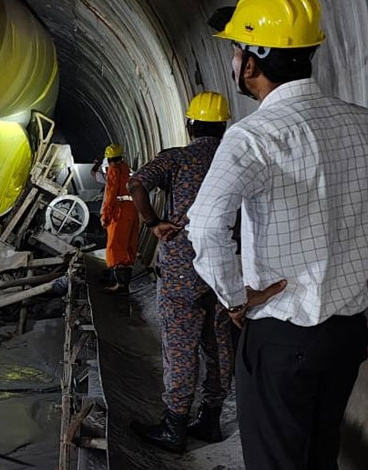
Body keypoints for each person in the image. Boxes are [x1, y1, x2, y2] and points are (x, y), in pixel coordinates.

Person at [186, 1, 368, 468]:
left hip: (282, 336)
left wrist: (235, 297)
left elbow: (207, 223)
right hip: (347, 334)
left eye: (235, 51)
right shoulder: (358, 123)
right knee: (320, 455)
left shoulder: (253, 137)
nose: (234, 62)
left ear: (250, 62)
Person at [128, 92, 234, 453]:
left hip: (181, 268)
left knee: (180, 344)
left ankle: (174, 425)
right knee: (218, 342)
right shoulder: (234, 157)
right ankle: (211, 419)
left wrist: (154, 223)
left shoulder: (177, 158)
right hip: (225, 265)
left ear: (190, 125)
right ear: (224, 125)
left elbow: (136, 183)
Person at [99, 144, 139, 294]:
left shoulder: (113, 171)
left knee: (115, 247)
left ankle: (119, 285)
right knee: (128, 246)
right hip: (132, 209)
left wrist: (105, 216)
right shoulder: (127, 169)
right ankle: (122, 281)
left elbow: (110, 195)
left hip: (119, 211)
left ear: (108, 160)